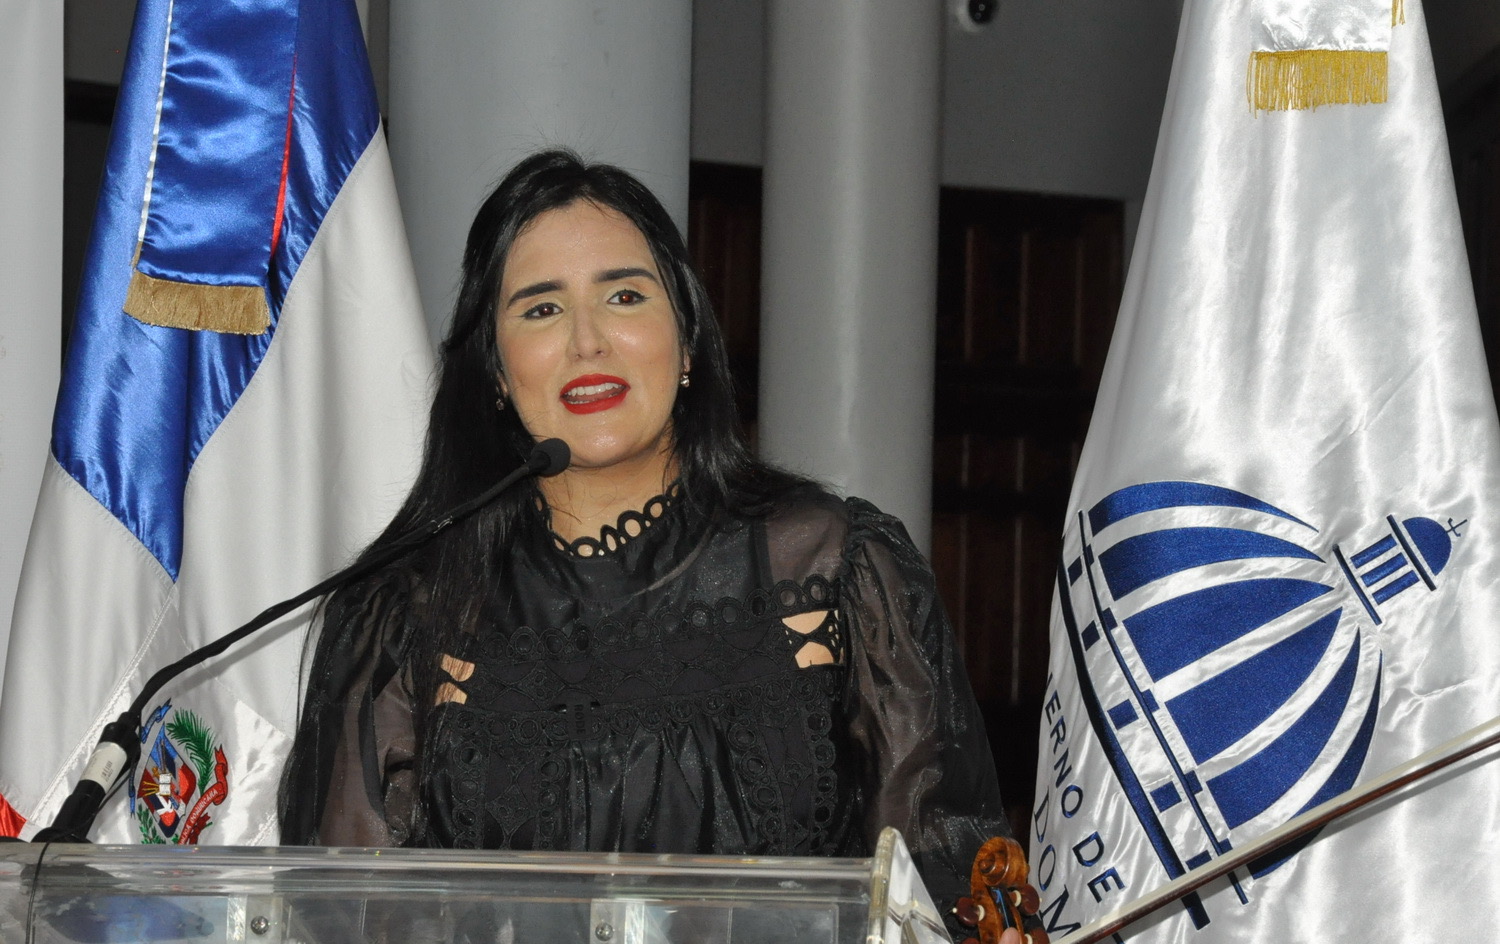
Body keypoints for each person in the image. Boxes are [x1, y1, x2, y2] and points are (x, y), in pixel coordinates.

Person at [279, 149, 1014, 930]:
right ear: (494, 369)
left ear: (687, 340)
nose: (587, 341)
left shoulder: (835, 568)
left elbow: (943, 884)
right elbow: (341, 915)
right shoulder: (406, 612)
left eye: (624, 296)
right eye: (541, 309)